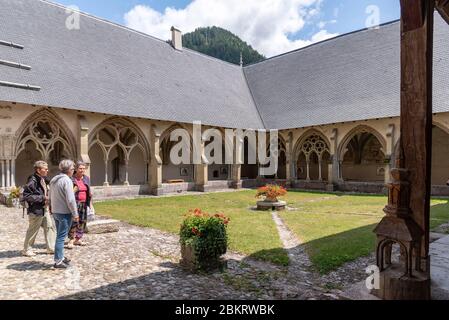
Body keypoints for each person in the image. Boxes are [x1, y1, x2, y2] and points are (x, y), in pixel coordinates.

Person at [22, 161, 56, 256]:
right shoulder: (33, 180)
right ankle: (26, 249)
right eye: (45, 169)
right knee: (33, 229)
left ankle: (51, 248)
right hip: (35, 210)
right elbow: (26, 195)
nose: (47, 170)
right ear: (38, 170)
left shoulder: (43, 179)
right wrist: (42, 198)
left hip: (44, 209)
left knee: (49, 227)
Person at [49, 159, 78, 269]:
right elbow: (70, 200)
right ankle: (58, 261)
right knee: (61, 237)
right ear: (68, 170)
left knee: (59, 236)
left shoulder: (54, 180)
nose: (73, 170)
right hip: (64, 212)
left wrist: (51, 208)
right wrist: (75, 213)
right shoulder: (67, 181)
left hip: (56, 211)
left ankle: (60, 256)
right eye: (72, 169)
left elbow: (50, 196)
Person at [67, 161, 92, 248]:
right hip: (75, 203)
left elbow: (89, 192)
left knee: (82, 221)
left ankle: (78, 239)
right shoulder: (71, 179)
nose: (82, 170)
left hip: (84, 203)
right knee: (74, 221)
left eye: (83, 168)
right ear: (76, 169)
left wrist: (91, 204)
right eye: (80, 168)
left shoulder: (86, 178)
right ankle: (71, 239)